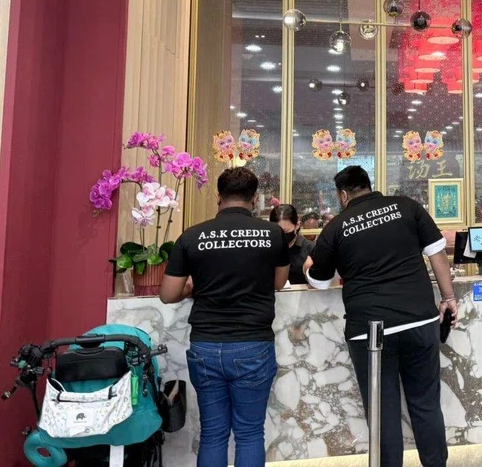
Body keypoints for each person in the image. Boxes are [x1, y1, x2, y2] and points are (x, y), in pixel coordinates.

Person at [306, 166, 456, 467]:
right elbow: (437, 253)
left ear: (343, 194)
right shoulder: (407, 206)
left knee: (383, 412)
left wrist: (308, 265)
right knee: (426, 404)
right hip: (420, 319)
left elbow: (320, 281)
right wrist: (448, 298)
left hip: (370, 330)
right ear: (368, 185)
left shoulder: (336, 226)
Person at [159, 167, 290, 467]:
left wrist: (190, 288)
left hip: (205, 346)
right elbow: (279, 282)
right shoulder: (273, 235)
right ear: (254, 198)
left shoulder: (192, 236)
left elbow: (168, 294)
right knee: (249, 433)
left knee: (213, 434)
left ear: (218, 196)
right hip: (253, 345)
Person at [269, 203, 311, 285]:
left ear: (297, 225)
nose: (281, 235)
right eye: (277, 231)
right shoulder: (266, 247)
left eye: (285, 231)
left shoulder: (310, 249)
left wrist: (310, 273)